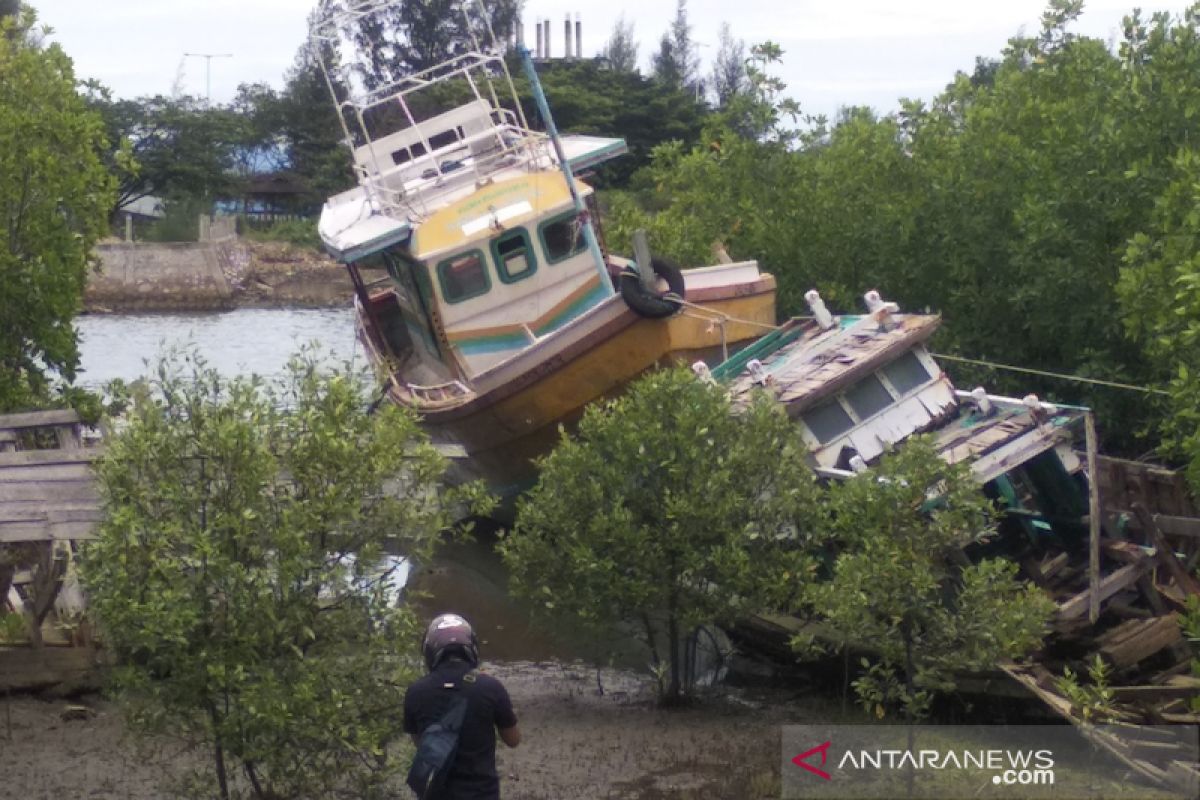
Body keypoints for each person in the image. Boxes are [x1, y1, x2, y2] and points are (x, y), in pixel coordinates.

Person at [404, 612, 520, 799]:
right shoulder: (490, 687)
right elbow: (513, 740)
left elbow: (421, 744)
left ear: (429, 651)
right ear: (471, 648)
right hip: (482, 793)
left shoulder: (416, 692)